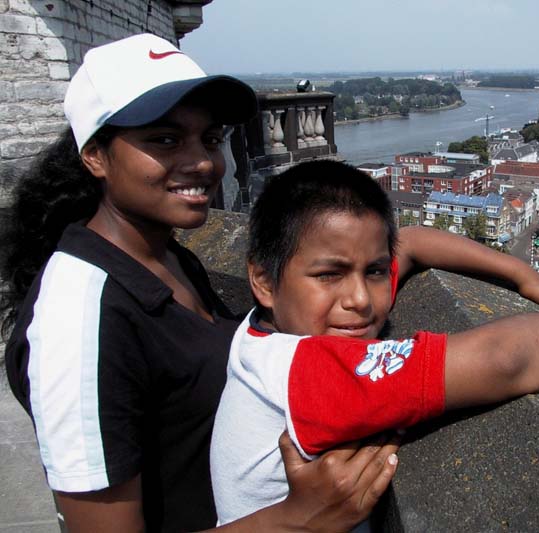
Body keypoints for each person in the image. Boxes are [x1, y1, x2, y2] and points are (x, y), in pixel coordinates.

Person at [1, 33, 401, 532]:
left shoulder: (163, 255)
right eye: (165, 139)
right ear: (96, 156)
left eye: (210, 139)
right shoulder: (78, 321)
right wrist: (296, 520)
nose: (204, 162)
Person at [209, 160, 539, 524]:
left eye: (373, 272)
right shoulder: (300, 369)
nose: (360, 299)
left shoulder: (263, 333)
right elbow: (504, 360)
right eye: (329, 274)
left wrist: (518, 272)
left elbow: (408, 243)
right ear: (264, 281)